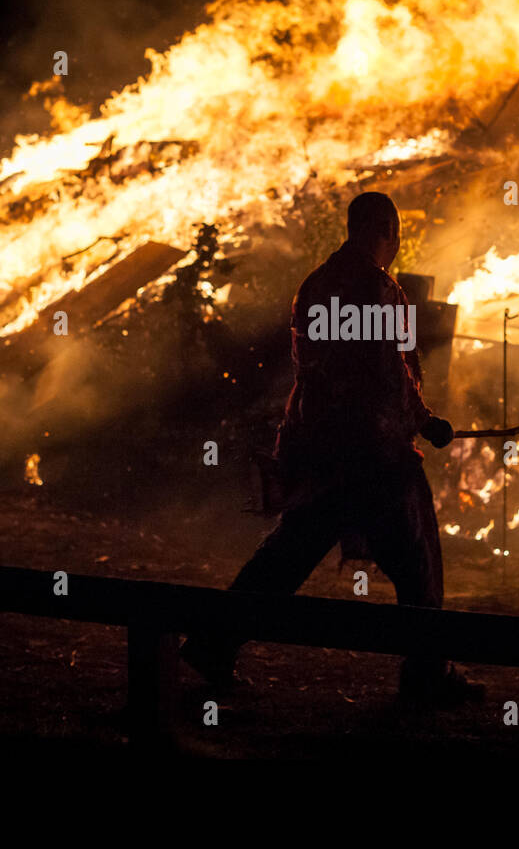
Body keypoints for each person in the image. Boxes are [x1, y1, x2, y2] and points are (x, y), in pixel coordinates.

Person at [181, 191, 483, 705]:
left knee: (289, 553)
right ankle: (427, 671)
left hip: (322, 446)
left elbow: (315, 369)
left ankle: (213, 642)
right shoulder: (379, 289)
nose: (396, 244)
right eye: (395, 233)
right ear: (385, 228)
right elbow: (388, 373)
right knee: (419, 560)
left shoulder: (315, 285)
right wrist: (426, 423)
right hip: (375, 454)